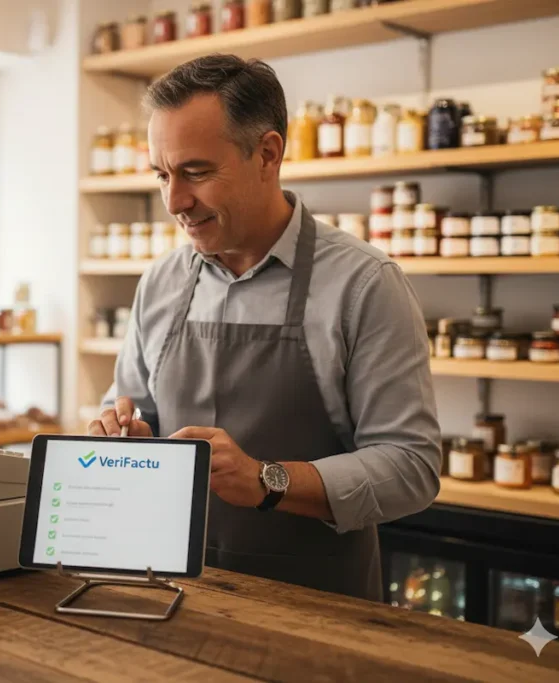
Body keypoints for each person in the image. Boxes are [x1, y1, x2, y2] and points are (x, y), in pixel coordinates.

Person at [87, 54, 441, 601]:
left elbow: (411, 467)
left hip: (319, 609)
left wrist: (266, 479)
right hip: (170, 597)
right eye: (162, 175)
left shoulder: (365, 284)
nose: (175, 202)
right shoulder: (159, 282)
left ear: (268, 154)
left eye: (196, 172)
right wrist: (125, 437)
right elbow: (134, 410)